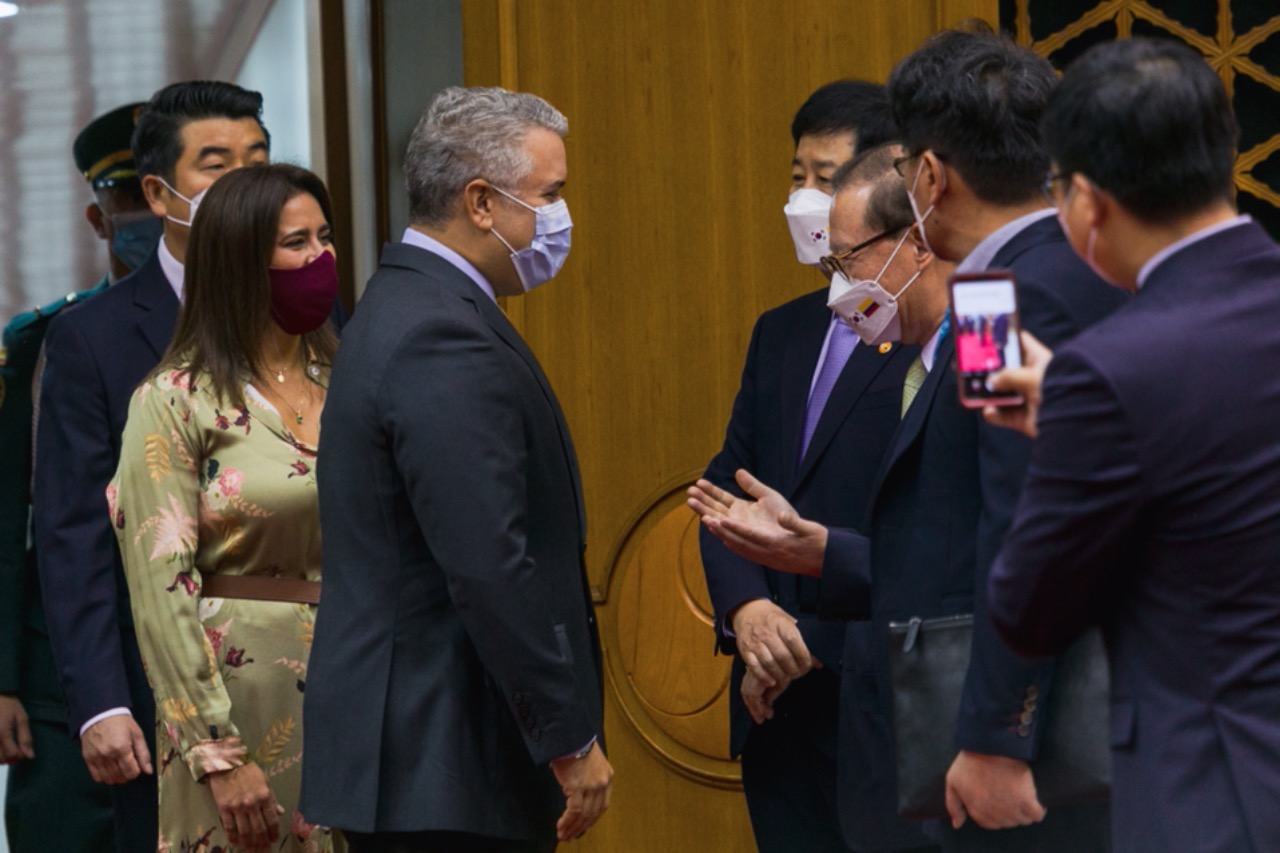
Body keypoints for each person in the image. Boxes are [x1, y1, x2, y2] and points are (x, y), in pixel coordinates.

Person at [693, 27, 1129, 853]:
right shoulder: (1093, 272)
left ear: (928, 175)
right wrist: (829, 552)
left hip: (1006, 757)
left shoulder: (996, 304)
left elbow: (1023, 532)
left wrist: (999, 731)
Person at [987, 37, 1280, 853]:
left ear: (1085, 200)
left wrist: (1070, 435)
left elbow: (1030, 605)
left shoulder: (1111, 371)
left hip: (1213, 790)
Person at [301, 86, 611, 853]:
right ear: (480, 200)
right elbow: (489, 561)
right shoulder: (440, 331)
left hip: (426, 760)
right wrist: (567, 736)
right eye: (548, 195)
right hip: (443, 757)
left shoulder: (413, 304)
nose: (558, 217)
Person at [33, 79, 270, 853]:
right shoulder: (90, 338)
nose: (244, 179)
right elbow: (74, 534)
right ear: (158, 192)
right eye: (216, 162)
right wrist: (100, 702)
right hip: (161, 682)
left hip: (301, 666)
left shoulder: (310, 313)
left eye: (258, 157)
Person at [698, 81, 927, 853]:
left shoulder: (936, 330)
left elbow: (941, 532)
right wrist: (749, 615)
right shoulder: (783, 332)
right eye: (796, 173)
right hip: (775, 716)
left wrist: (808, 641)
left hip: (882, 701)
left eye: (826, 178)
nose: (806, 199)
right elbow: (727, 488)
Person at [108, 162, 342, 853]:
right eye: (295, 243)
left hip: (354, 686)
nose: (320, 257)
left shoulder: (350, 381)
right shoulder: (175, 399)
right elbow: (160, 592)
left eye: (325, 237)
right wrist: (218, 749)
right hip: (237, 696)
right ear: (240, 261)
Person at [0, 101, 158, 852]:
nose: (142, 216)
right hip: (60, 670)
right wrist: (1, 675)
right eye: (125, 198)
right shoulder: (39, 346)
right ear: (100, 219)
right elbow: (7, 517)